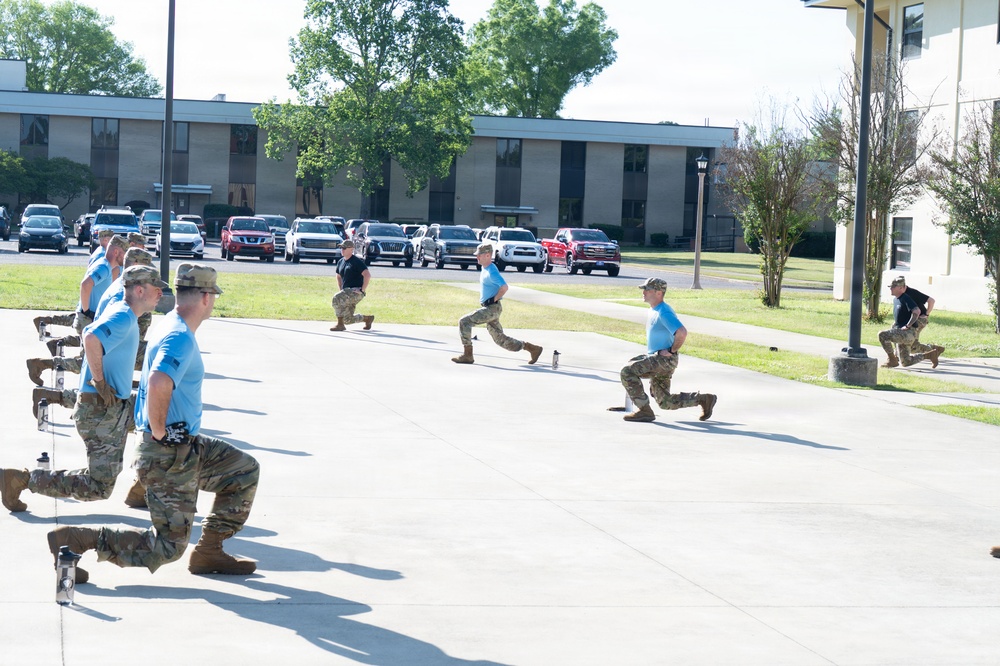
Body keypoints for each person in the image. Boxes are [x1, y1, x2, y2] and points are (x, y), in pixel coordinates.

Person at [45, 264, 260, 579]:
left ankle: (210, 550)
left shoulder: (170, 324)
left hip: (184, 445)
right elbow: (160, 381)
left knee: (243, 470)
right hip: (168, 453)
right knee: (167, 548)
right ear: (205, 297)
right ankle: (77, 539)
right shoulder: (179, 336)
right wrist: (160, 431)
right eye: (212, 295)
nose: (212, 301)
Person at [2, 266, 167, 526]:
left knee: (163, 428)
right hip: (101, 412)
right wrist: (99, 382)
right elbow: (90, 337)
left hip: (118, 407)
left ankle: (144, 486)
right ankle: (22, 480)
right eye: (156, 288)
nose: (161, 293)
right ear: (139, 290)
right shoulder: (123, 316)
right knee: (97, 487)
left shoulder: (128, 317)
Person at [30, 248, 157, 417]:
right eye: (146, 268)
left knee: (98, 396)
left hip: (110, 347)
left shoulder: (121, 287)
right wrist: (100, 382)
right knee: (97, 396)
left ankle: (52, 391)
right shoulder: (122, 296)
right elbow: (93, 337)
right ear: (134, 266)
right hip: (108, 349)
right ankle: (48, 378)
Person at [608, 277, 717, 423]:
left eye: (647, 289)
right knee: (665, 402)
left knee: (627, 371)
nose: (644, 292)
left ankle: (644, 411)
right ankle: (703, 399)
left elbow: (682, 332)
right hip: (659, 359)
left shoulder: (664, 312)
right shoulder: (655, 310)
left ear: (659, 293)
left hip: (663, 360)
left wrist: (671, 351)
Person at [26, 236, 129, 388]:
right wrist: (86, 311)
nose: (125, 257)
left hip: (90, 318)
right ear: (115, 251)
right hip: (87, 319)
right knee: (87, 362)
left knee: (88, 360)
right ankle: (40, 366)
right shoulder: (104, 267)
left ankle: (43, 365)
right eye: (123, 253)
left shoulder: (107, 267)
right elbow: (85, 284)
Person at [451, 243, 543, 365]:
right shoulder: (486, 268)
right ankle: (532, 348)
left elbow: (504, 287)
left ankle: (468, 355)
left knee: (464, 321)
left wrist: (493, 299)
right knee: (500, 340)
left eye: (479, 255)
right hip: (490, 308)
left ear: (488, 255)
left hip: (492, 308)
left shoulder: (491, 271)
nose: (477, 257)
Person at [878, 276, 943, 369]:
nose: (890, 289)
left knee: (883, 335)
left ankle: (892, 360)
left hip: (907, 333)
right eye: (890, 287)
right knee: (906, 362)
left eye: (893, 287)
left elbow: (917, 311)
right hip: (901, 332)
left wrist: (908, 325)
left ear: (900, 288)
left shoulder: (906, 298)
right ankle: (929, 355)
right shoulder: (896, 299)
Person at [330, 239, 374, 331]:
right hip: (346, 292)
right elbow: (338, 275)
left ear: (351, 249)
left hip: (356, 292)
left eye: (344, 248)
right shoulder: (341, 262)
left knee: (336, 299)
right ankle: (367, 319)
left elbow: (367, 275)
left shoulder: (356, 261)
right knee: (347, 319)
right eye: (341, 248)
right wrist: (341, 289)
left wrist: (362, 290)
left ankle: (340, 325)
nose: (342, 250)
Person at [895, 276, 945, 356]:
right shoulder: (899, 295)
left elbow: (931, 301)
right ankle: (895, 356)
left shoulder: (912, 292)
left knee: (913, 347)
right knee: (897, 333)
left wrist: (926, 314)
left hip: (919, 320)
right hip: (909, 321)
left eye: (897, 287)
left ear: (903, 287)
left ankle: (934, 350)